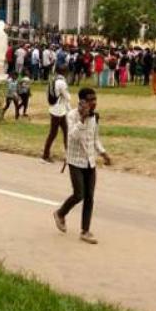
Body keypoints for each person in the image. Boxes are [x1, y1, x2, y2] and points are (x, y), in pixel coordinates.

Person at [52, 87, 111, 245]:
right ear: (82, 101)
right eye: (90, 100)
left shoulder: (94, 117)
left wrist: (103, 153)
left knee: (89, 197)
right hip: (75, 161)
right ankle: (60, 213)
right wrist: (82, 120)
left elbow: (94, 138)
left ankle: (85, 231)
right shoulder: (71, 116)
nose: (94, 102)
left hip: (90, 162)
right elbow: (72, 137)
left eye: (95, 99)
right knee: (79, 194)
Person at [42, 64, 71, 163]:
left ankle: (69, 155)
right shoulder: (62, 82)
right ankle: (45, 155)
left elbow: (47, 94)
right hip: (59, 111)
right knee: (54, 134)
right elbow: (68, 97)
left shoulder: (52, 80)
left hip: (55, 109)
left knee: (65, 132)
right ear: (64, 72)